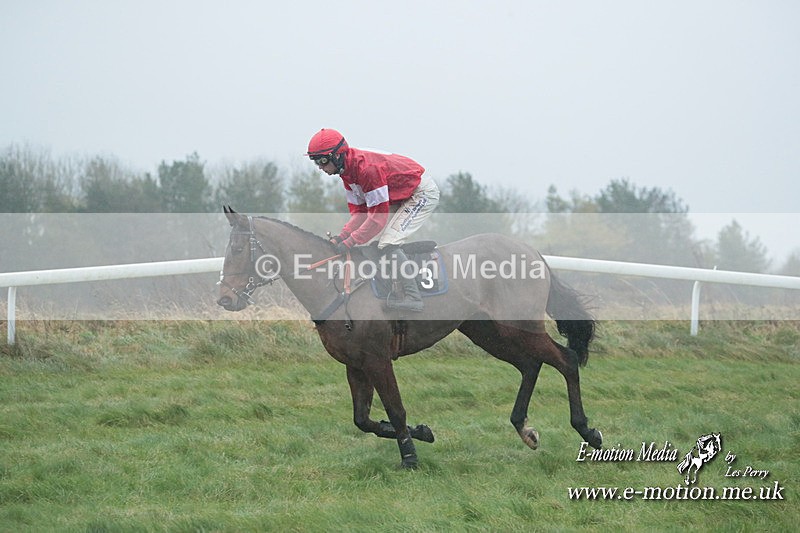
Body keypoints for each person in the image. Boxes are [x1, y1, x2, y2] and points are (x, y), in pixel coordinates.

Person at [306, 128, 440, 312]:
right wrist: (342, 237)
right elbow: (360, 215)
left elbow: (377, 219)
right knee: (378, 242)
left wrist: (351, 241)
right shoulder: (347, 173)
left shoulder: (366, 170)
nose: (321, 167)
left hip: (420, 192)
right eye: (316, 162)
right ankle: (396, 283)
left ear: (337, 156)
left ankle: (413, 297)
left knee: (388, 242)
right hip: (399, 193)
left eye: (322, 161)